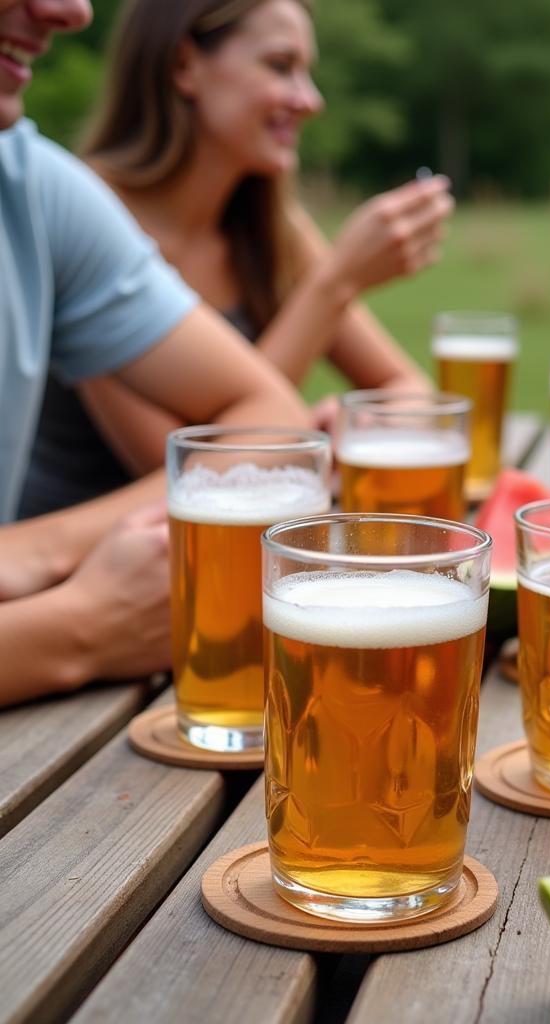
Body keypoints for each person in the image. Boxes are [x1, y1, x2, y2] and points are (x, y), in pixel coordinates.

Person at [17, 0, 452, 519]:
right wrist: (334, 284)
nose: (310, 100)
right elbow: (188, 472)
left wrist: (359, 427)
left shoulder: (272, 228)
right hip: (79, 578)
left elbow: (412, 390)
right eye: (280, 66)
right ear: (184, 66)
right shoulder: (88, 224)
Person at [0, 0, 312, 706]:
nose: (71, 10)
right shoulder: (98, 195)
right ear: (182, 68)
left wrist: (32, 552)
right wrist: (76, 629)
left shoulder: (36, 189)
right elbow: (177, 454)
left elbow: (271, 416)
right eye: (279, 66)